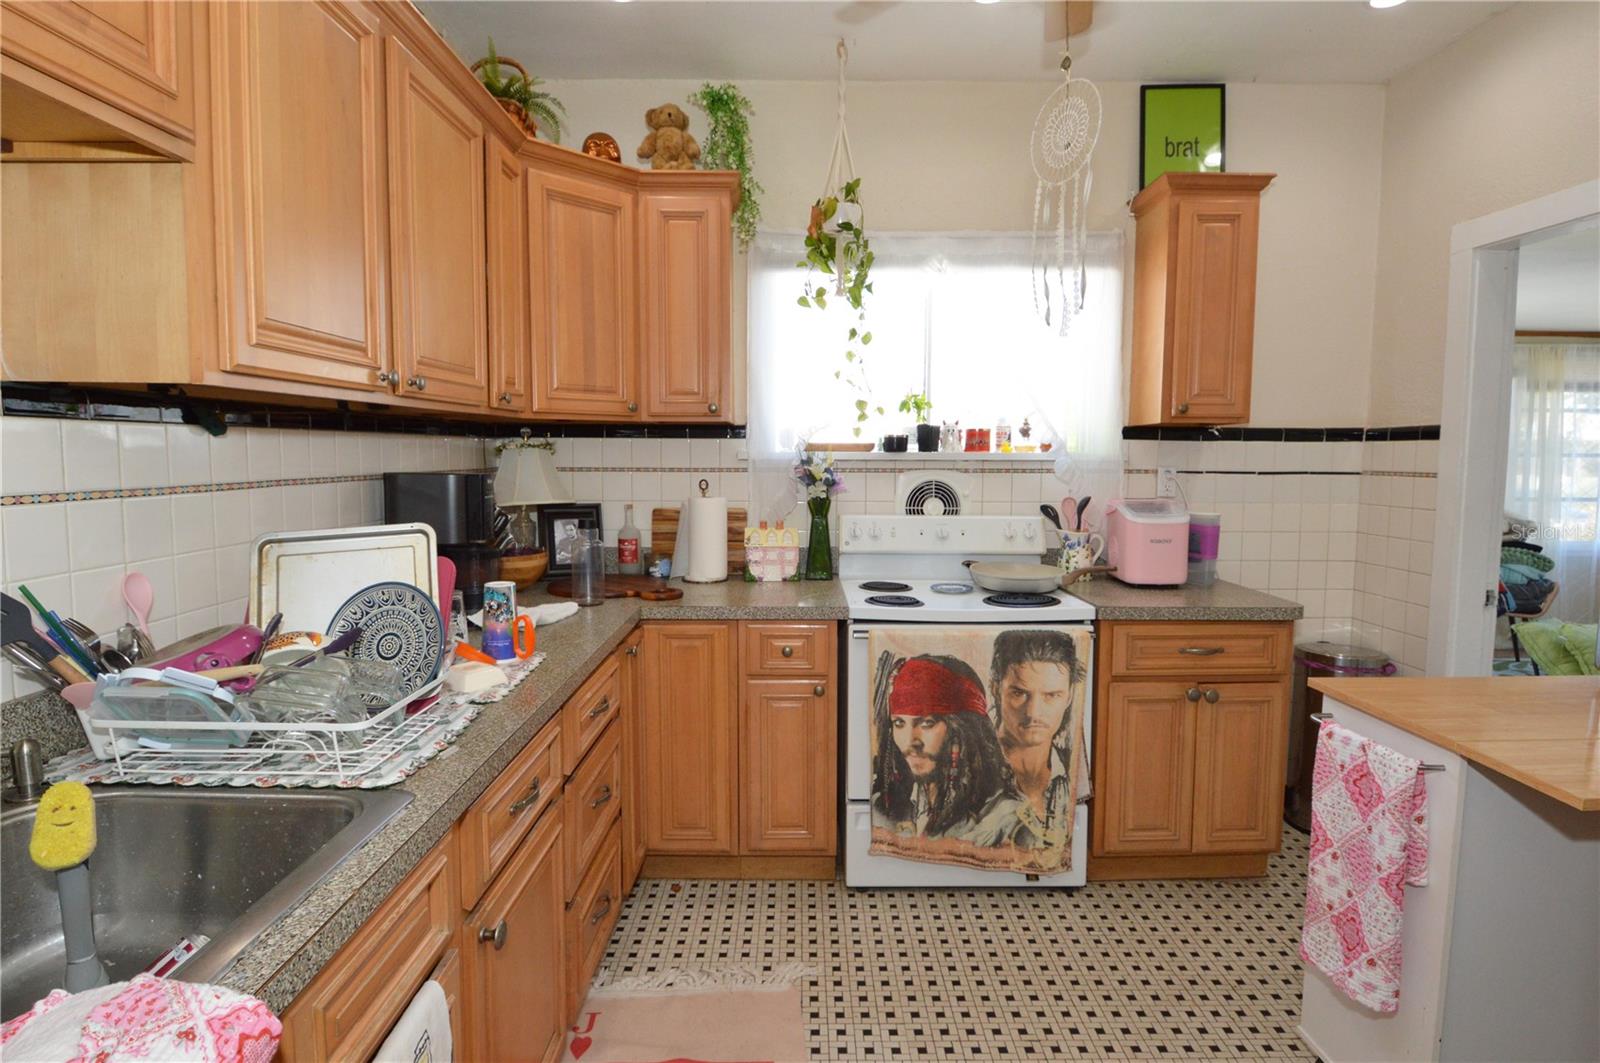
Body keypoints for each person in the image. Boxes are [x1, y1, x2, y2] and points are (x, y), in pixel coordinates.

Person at [871, 654, 1032, 847]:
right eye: (899, 723)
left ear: (964, 729)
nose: (910, 741)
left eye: (927, 723)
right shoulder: (887, 808)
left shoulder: (1009, 821)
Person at [988, 630, 1083, 850]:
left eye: (1051, 695)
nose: (1033, 712)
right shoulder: (968, 774)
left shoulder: (1074, 768)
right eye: (1019, 693)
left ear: (1069, 696)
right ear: (995, 689)